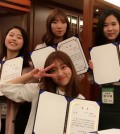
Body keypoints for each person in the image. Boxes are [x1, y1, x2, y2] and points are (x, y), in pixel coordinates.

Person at [0, 51, 85, 134]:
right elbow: (5, 88)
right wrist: (30, 75)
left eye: (63, 67)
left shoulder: (80, 99)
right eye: (53, 70)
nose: (60, 73)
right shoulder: (38, 89)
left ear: (71, 68)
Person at [88, 8, 120, 130]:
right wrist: (91, 71)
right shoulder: (97, 50)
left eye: (114, 24)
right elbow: (91, 81)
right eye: (105, 25)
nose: (110, 29)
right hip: (105, 98)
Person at [0, 26, 33, 134]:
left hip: (17, 118)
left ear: (24, 43)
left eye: (19, 37)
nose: (14, 39)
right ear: (5, 38)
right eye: (11, 35)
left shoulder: (29, 68)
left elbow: (25, 97)